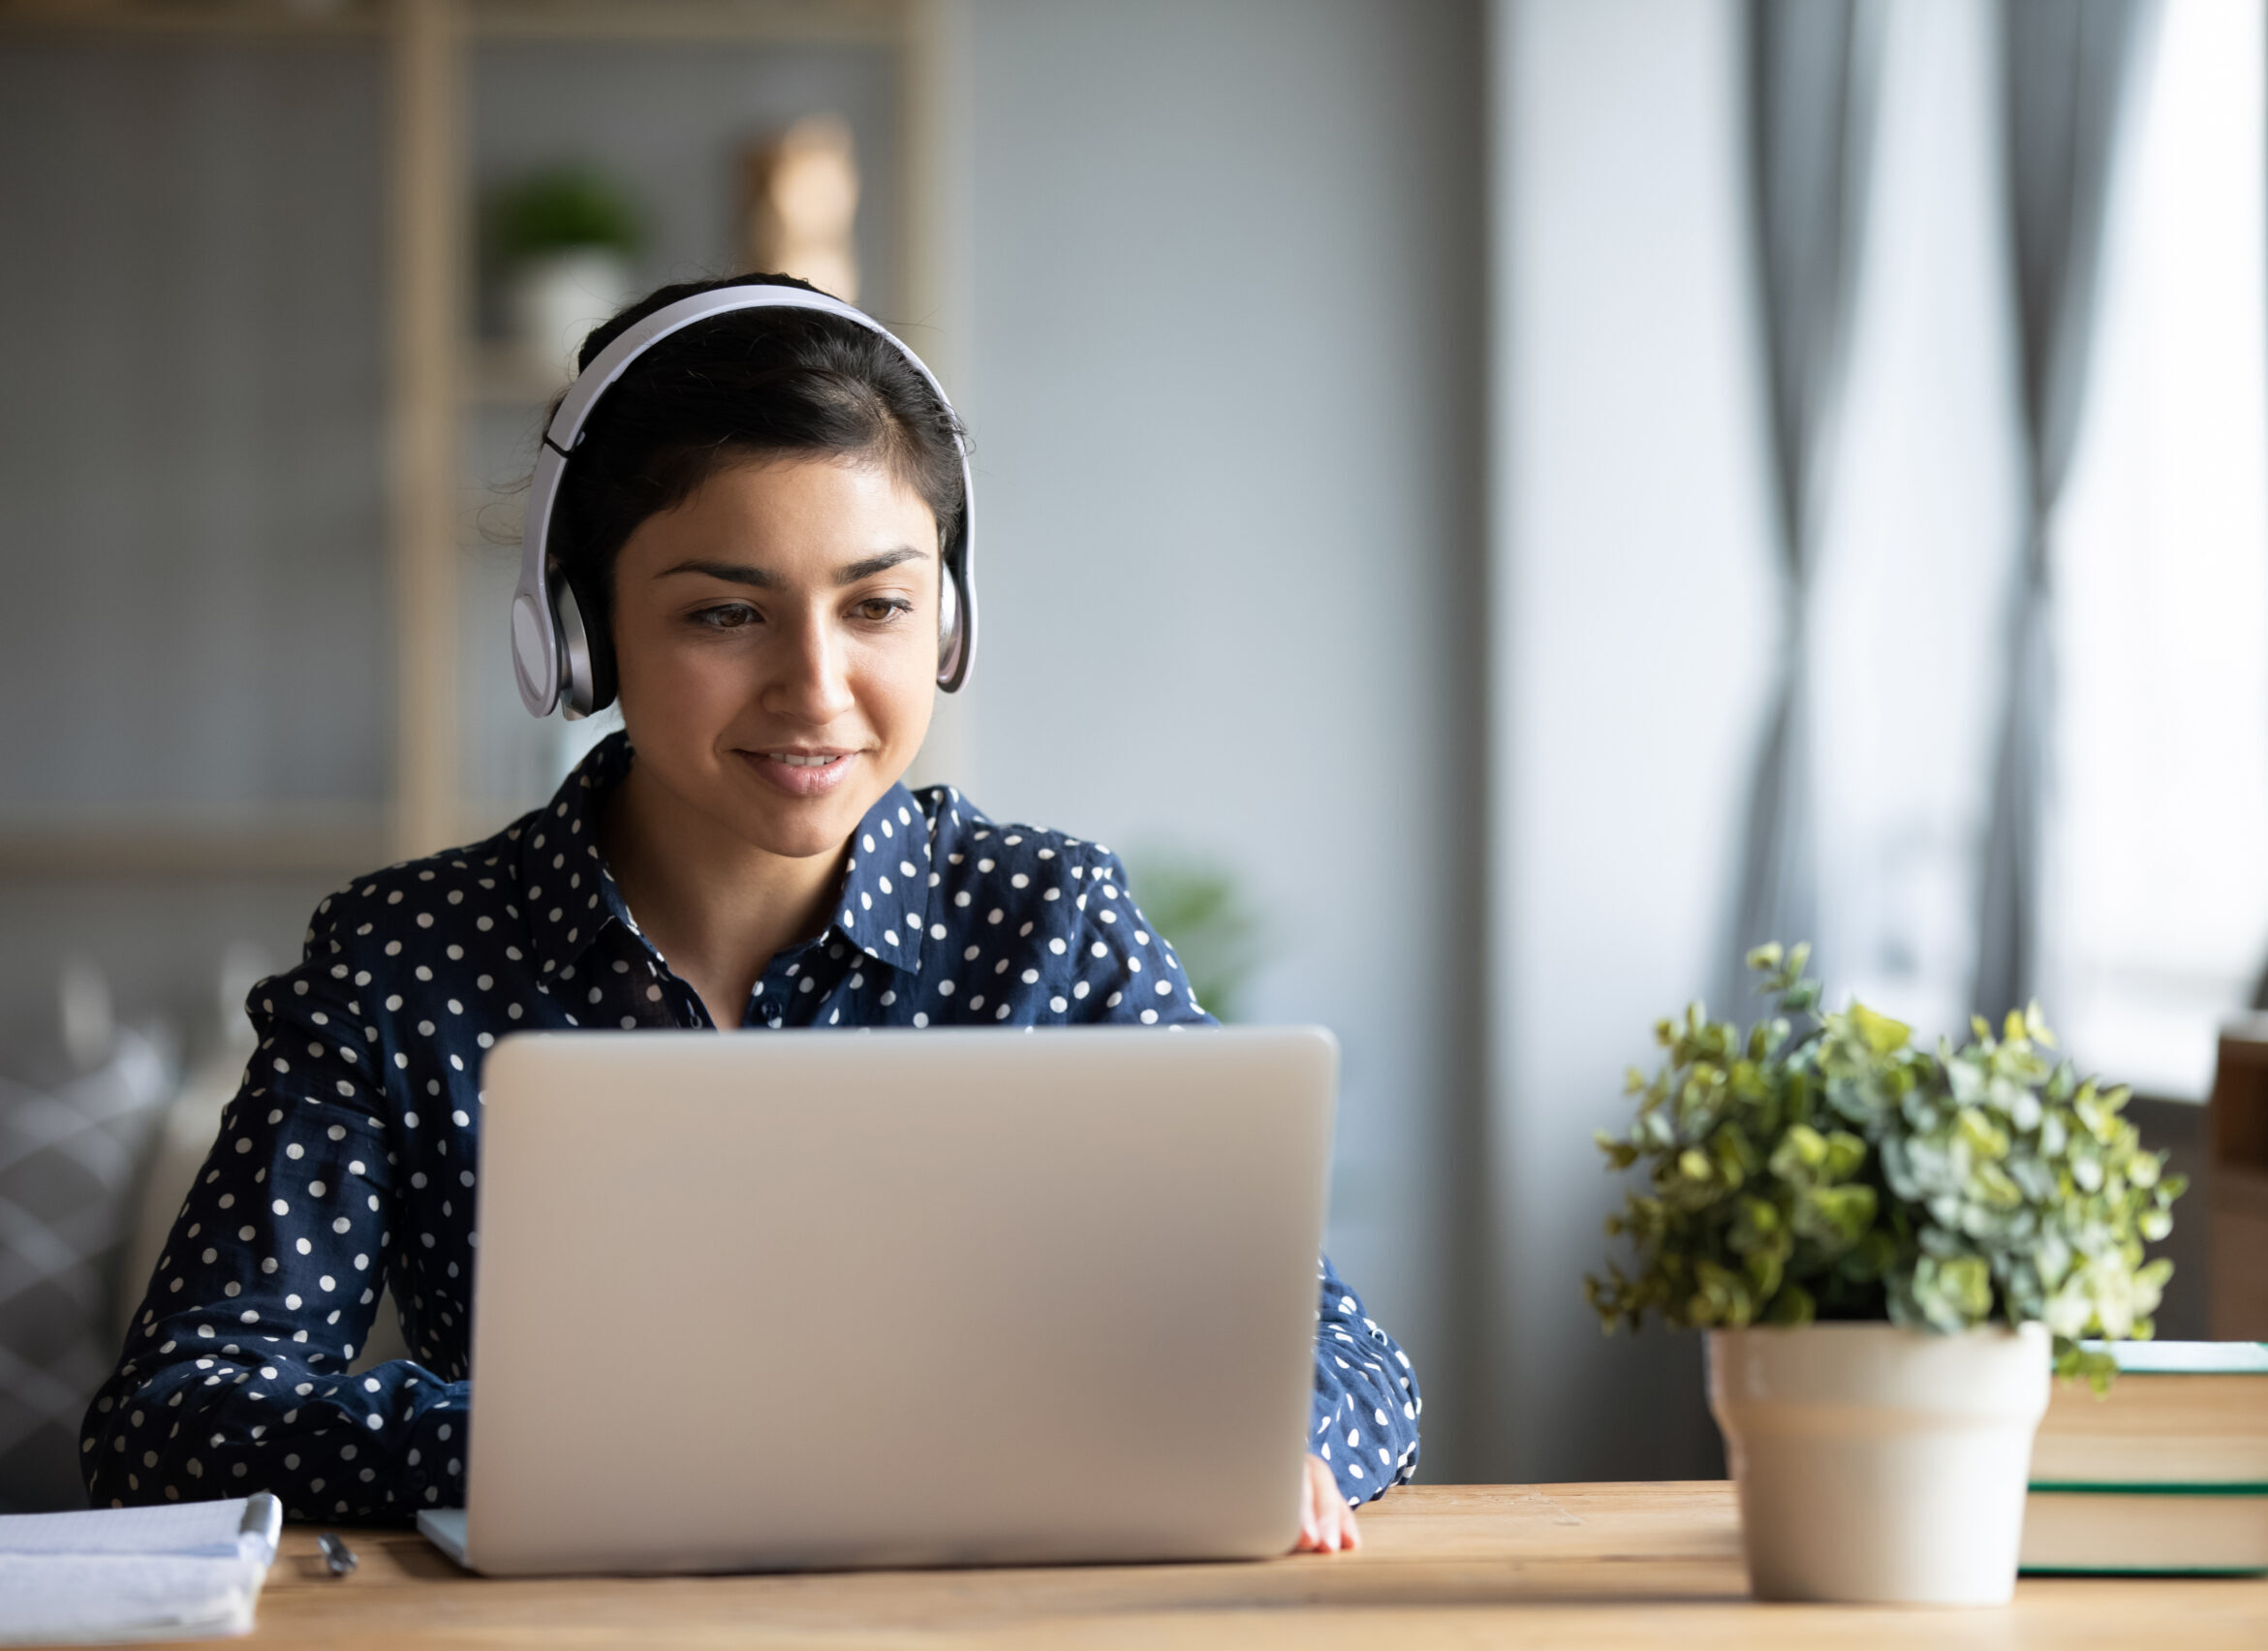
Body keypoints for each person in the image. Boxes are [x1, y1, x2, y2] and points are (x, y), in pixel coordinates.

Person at [80, 274, 1420, 1553]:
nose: (817, 688)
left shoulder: (1049, 925)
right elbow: (174, 1420)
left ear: (945, 622)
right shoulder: (406, 960)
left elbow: (1348, 1363)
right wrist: (587, 1444)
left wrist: (1260, 1436)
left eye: (879, 605)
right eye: (727, 613)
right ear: (578, 633)